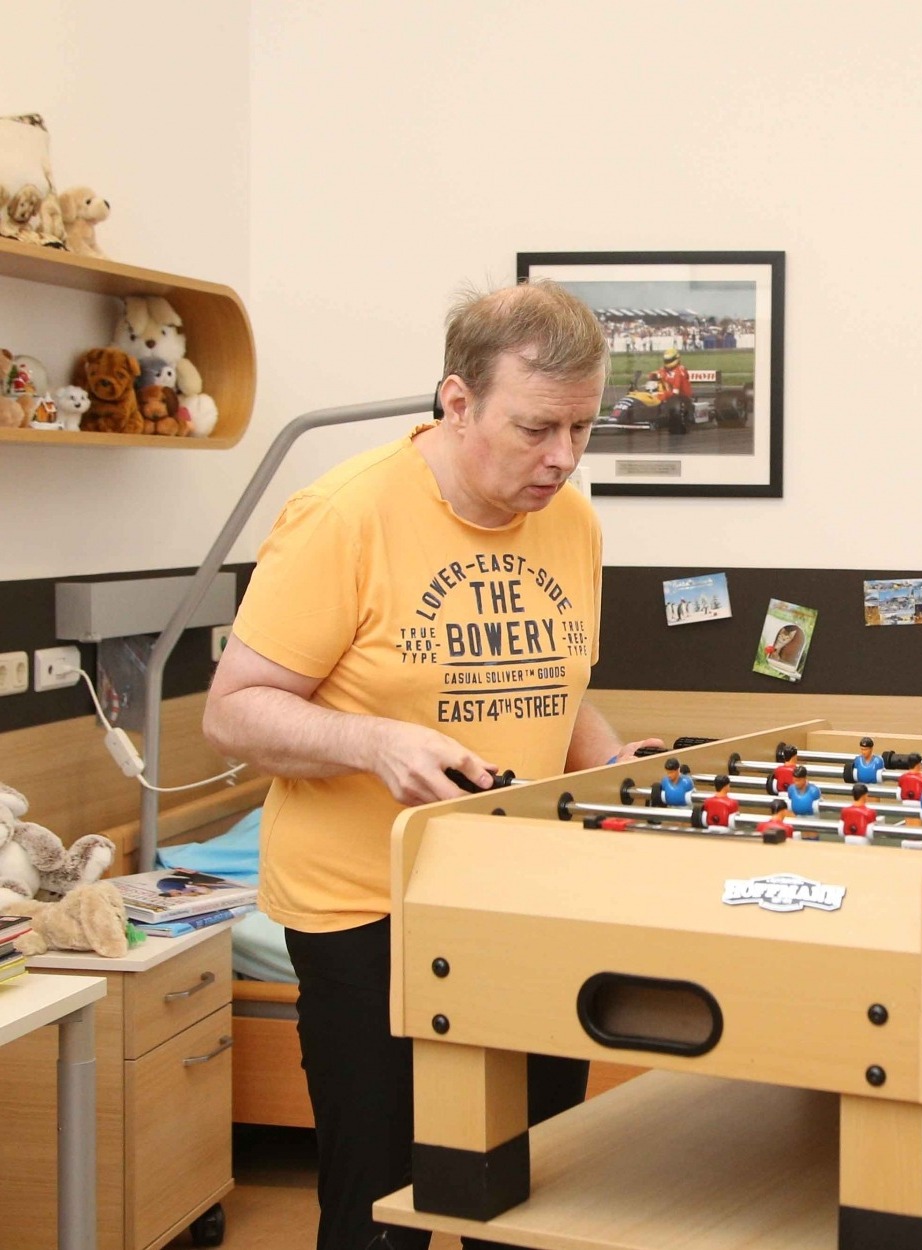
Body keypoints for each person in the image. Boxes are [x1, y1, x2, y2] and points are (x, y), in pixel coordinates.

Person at [203, 280, 664, 1250]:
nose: (564, 458)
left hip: (523, 892)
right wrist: (375, 741)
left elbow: (550, 682)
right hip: (368, 907)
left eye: (583, 428)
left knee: (541, 1189)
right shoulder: (343, 514)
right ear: (457, 400)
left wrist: (612, 760)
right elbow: (233, 711)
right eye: (537, 427)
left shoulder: (571, 521)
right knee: (384, 1206)